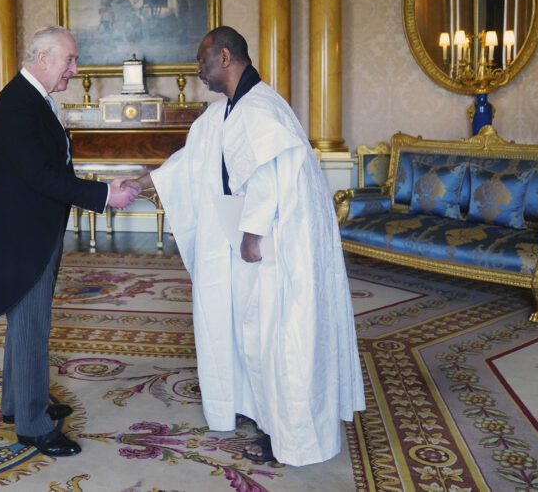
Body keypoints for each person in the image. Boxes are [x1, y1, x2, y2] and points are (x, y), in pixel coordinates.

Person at [122, 26, 365, 466]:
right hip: (248, 228)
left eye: (203, 61)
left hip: (278, 238)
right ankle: (259, 408)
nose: (198, 71)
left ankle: (289, 434)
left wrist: (253, 233)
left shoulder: (261, 109)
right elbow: (191, 160)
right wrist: (142, 183)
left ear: (227, 57)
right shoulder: (226, 112)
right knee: (248, 327)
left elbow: (276, 173)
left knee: (278, 333)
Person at [0, 25, 138, 457]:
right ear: (43, 58)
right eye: (70, 59)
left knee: (26, 325)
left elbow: (53, 169)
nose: (75, 69)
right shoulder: (17, 106)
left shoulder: (33, 100)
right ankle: (32, 425)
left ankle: (17, 403)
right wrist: (106, 196)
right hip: (24, 237)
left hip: (32, 229)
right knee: (31, 327)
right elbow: (41, 177)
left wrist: (106, 185)